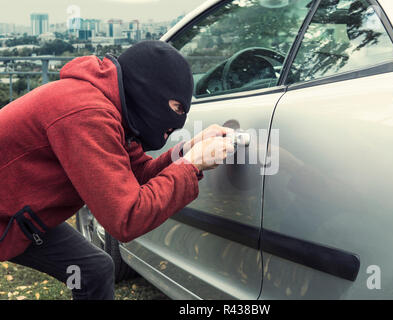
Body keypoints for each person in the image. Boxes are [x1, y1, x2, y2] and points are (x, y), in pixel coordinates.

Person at [0, 40, 234, 300]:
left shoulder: (111, 107)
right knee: (92, 268)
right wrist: (192, 166)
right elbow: (127, 217)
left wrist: (187, 152)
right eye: (177, 107)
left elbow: (140, 173)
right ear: (151, 90)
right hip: (9, 212)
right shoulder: (87, 113)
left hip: (19, 214)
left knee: (92, 269)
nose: (178, 120)